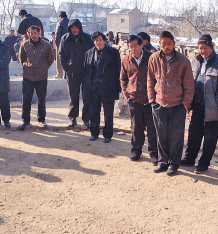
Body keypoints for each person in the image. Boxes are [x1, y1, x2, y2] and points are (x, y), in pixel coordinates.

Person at [180, 34, 218, 174]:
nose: (203, 51)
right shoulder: (196, 61)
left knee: (209, 138)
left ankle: (204, 163)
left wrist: (216, 105)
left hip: (213, 109)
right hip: (197, 106)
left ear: (211, 47)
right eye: (200, 48)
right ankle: (189, 158)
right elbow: (189, 81)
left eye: (205, 47)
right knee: (193, 134)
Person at [147, 31, 194, 176]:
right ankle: (162, 162)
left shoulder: (183, 61)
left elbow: (189, 85)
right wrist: (152, 100)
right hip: (159, 103)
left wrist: (185, 104)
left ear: (174, 44)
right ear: (159, 44)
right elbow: (150, 80)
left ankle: (174, 163)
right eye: (163, 44)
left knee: (176, 136)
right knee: (161, 135)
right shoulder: (154, 58)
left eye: (169, 44)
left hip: (177, 105)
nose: (166, 47)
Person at [120, 35, 157, 164]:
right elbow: (123, 79)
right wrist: (127, 94)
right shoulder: (126, 60)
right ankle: (136, 150)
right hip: (134, 99)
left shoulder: (151, 58)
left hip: (149, 99)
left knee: (152, 128)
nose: (133, 49)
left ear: (142, 45)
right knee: (136, 127)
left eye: (136, 45)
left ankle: (154, 153)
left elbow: (158, 77)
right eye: (131, 47)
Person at [82, 31, 121, 142]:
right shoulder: (89, 53)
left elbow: (118, 70)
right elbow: (86, 72)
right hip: (93, 87)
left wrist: (118, 87)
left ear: (104, 40)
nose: (98, 42)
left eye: (100, 40)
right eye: (95, 40)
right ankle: (94, 133)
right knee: (94, 112)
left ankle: (108, 134)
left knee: (108, 113)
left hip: (108, 87)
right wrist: (85, 88)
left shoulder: (113, 53)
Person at [59, 19, 94, 128]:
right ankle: (73, 119)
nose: (74, 30)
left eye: (76, 28)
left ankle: (86, 119)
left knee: (87, 96)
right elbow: (61, 55)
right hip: (72, 72)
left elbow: (93, 53)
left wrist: (91, 69)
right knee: (73, 96)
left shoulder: (87, 38)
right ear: (69, 29)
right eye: (72, 28)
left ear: (80, 28)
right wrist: (67, 68)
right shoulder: (65, 38)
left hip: (86, 71)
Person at [18, 25, 54, 130]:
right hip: (28, 76)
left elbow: (50, 59)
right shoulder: (24, 44)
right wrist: (26, 66)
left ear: (39, 33)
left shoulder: (46, 45)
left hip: (41, 76)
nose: (33, 35)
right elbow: (21, 58)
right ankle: (25, 120)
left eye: (35, 33)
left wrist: (43, 68)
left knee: (41, 98)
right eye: (31, 33)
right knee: (26, 99)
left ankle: (41, 119)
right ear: (28, 34)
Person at [55, 11, 69, 79]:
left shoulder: (60, 23)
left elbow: (58, 34)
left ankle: (59, 74)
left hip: (61, 43)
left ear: (60, 17)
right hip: (69, 44)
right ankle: (67, 74)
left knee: (59, 59)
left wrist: (57, 44)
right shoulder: (70, 22)